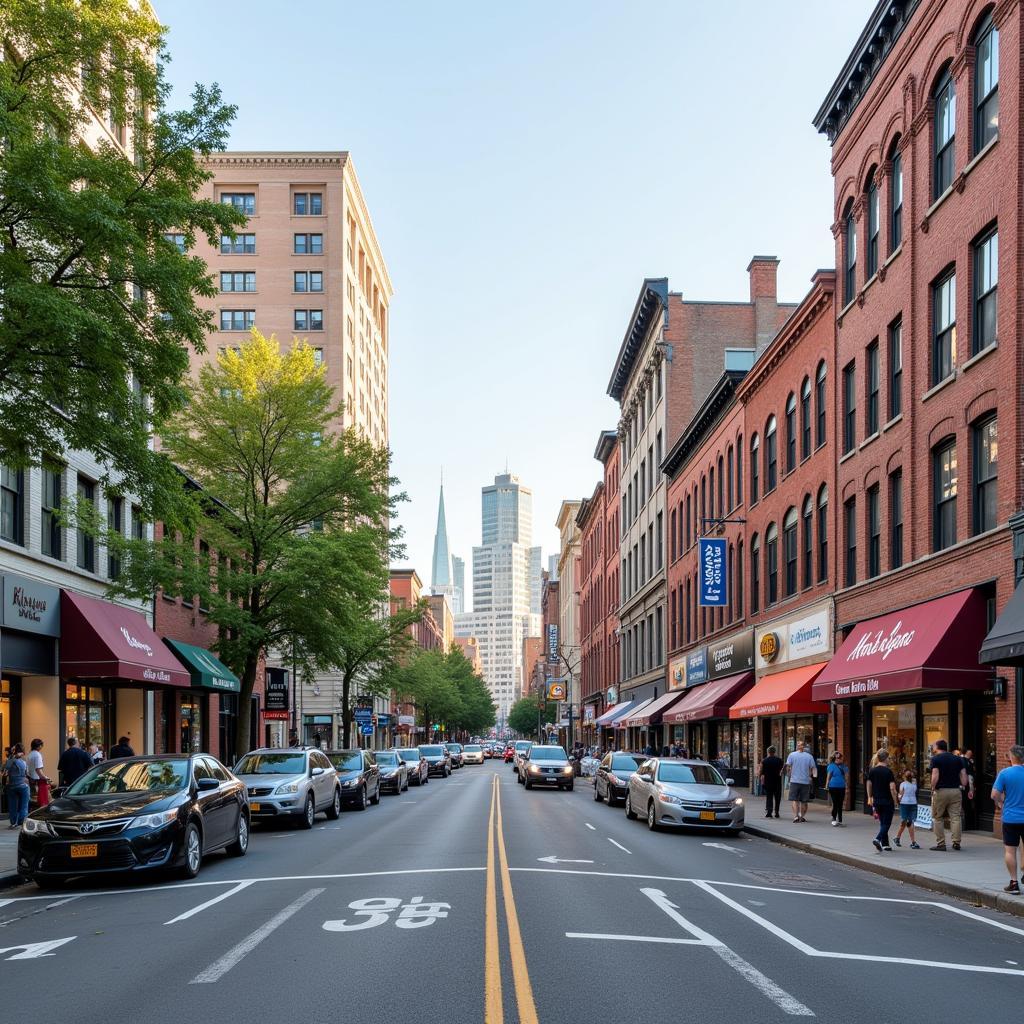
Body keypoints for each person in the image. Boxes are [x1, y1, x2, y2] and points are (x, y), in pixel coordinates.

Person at [992, 744, 1024, 894]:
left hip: (1011, 817)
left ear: (1011, 757)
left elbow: (994, 794)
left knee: (1010, 851)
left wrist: (1000, 803)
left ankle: (1014, 883)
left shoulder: (1005, 773)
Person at [930, 738, 967, 851]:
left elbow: (935, 775)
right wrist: (963, 784)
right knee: (955, 817)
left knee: (938, 817)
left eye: (934, 746)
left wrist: (932, 787)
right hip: (955, 790)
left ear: (937, 747)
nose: (933, 748)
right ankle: (956, 842)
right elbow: (963, 776)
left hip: (941, 790)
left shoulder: (935, 759)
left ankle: (941, 844)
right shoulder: (958, 759)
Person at [866, 748, 898, 852]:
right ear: (886, 759)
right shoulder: (888, 772)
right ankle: (878, 838)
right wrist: (896, 801)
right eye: (888, 758)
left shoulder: (873, 770)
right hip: (887, 801)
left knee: (882, 822)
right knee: (887, 823)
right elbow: (892, 788)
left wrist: (870, 796)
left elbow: (869, 785)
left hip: (877, 801)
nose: (889, 760)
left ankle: (885, 844)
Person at [785, 740, 817, 823]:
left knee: (795, 800)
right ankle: (802, 816)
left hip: (794, 781)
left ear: (797, 746)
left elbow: (788, 767)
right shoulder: (809, 756)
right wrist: (811, 777)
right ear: (804, 746)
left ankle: (796, 816)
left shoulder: (791, 755)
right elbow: (813, 768)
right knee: (804, 801)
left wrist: (789, 775)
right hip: (805, 781)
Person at [894, 769, 920, 849]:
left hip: (905, 804)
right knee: (906, 822)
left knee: (907, 822)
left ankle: (902, 839)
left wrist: (897, 801)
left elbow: (900, 795)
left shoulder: (903, 784)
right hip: (912, 804)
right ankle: (899, 838)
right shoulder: (913, 783)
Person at [4, 744, 29, 829]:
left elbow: (4, 771)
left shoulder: (10, 761)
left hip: (11, 786)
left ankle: (13, 823)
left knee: (12, 805)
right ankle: (21, 821)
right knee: (24, 805)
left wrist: (12, 757)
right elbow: (26, 774)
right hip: (22, 785)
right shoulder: (23, 761)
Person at [759, 745, 784, 819]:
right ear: (774, 752)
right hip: (777, 781)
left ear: (768, 752)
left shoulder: (764, 761)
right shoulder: (779, 760)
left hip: (768, 782)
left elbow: (761, 771)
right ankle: (777, 812)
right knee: (777, 797)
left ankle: (769, 812)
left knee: (769, 797)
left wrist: (760, 776)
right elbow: (782, 770)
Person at [26, 738, 51, 808]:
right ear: (39, 746)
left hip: (30, 778)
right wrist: (45, 777)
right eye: (41, 745)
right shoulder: (37, 755)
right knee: (42, 800)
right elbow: (38, 769)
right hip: (37, 779)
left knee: (32, 799)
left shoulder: (29, 754)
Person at [825, 752, 849, 826]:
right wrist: (826, 785)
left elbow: (846, 778)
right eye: (839, 758)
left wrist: (847, 787)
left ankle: (840, 820)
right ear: (836, 759)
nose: (841, 759)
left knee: (840, 803)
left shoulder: (845, 767)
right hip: (833, 786)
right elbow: (828, 777)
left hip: (841, 787)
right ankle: (834, 819)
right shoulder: (831, 766)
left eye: (841, 758)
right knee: (835, 803)